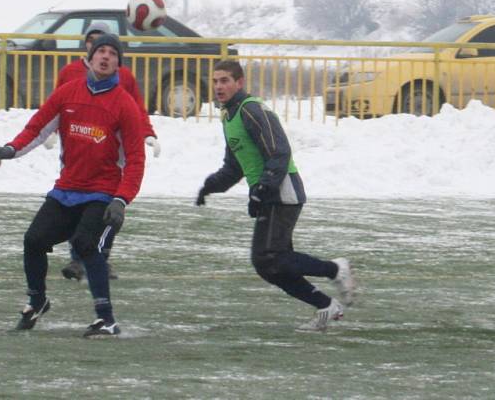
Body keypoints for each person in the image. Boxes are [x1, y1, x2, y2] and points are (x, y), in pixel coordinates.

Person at [0, 33, 145, 338]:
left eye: (112, 53)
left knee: (87, 245)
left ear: (119, 64)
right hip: (67, 189)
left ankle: (107, 320)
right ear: (89, 56)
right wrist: (11, 149)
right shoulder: (68, 93)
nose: (105, 57)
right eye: (101, 51)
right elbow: (37, 128)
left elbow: (136, 160)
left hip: (102, 193)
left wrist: (121, 200)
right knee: (33, 240)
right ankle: (37, 302)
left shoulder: (124, 105)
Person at [195, 59, 356, 332]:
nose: (219, 86)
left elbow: (279, 152)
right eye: (216, 81)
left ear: (239, 83)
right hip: (268, 194)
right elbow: (235, 166)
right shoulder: (229, 116)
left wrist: (262, 189)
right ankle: (326, 306)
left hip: (283, 192)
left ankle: (335, 270)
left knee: (269, 258)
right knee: (270, 266)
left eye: (225, 80)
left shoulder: (252, 110)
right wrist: (209, 186)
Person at [57, 21, 160, 282]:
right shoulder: (69, 72)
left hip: (112, 152)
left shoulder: (123, 76)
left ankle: (101, 255)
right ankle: (77, 257)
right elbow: (55, 107)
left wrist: (148, 133)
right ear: (87, 46)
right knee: (75, 203)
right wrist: (54, 133)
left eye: (104, 42)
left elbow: (136, 108)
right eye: (92, 40)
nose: (99, 47)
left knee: (108, 205)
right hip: (77, 149)